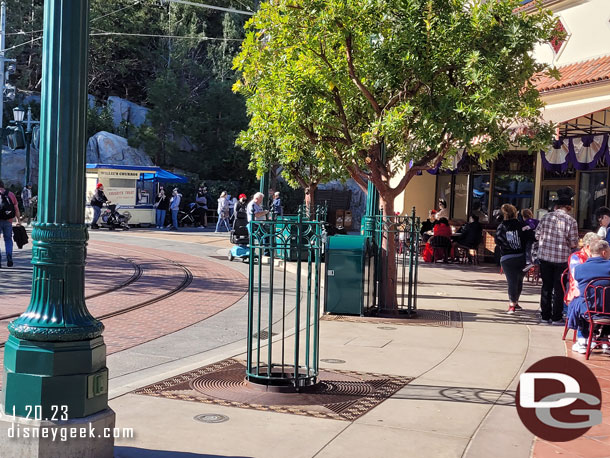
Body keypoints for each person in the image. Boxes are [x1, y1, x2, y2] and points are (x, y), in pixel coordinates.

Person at [535, 187, 579, 325]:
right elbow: (573, 243)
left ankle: (544, 316)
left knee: (546, 287)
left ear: (556, 206)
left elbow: (536, 235)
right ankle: (556, 317)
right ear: (568, 207)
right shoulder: (571, 221)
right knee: (559, 288)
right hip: (561, 259)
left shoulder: (545, 217)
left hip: (545, 257)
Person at [567, 239, 610, 354]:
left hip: (589, 310)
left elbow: (577, 288)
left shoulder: (579, 269)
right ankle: (604, 337)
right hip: (608, 309)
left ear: (590, 253)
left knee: (578, 301)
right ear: (604, 253)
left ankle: (583, 339)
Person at [495, 204, 531, 314]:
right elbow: (530, 236)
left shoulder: (501, 226)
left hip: (507, 258)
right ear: (515, 213)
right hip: (522, 257)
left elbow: (498, 241)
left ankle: (512, 304)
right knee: (519, 280)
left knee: (511, 281)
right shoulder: (522, 225)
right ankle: (516, 301)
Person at [566, 232, 601, 304]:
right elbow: (577, 278)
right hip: (578, 295)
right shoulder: (576, 257)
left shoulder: (597, 257)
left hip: (594, 292)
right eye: (597, 246)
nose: (599, 248)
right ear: (588, 247)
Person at [0, 180, 21, 268]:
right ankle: (9, 256)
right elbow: (16, 208)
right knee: (8, 239)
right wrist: (18, 220)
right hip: (8, 220)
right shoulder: (11, 194)